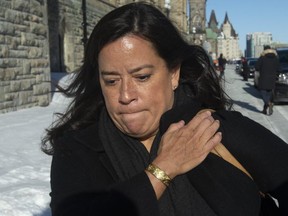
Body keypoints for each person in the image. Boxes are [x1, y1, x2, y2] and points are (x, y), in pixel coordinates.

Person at [42, 2, 288, 216]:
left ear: (174, 73)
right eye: (112, 81)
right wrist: (163, 169)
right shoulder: (77, 151)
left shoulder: (215, 129)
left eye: (142, 77)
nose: (126, 96)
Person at [255, 45, 279, 115]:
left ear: (264, 50)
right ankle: (264, 110)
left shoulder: (262, 57)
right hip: (272, 79)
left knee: (263, 93)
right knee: (268, 94)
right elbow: (278, 68)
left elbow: (256, 67)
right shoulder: (275, 58)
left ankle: (269, 103)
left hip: (264, 78)